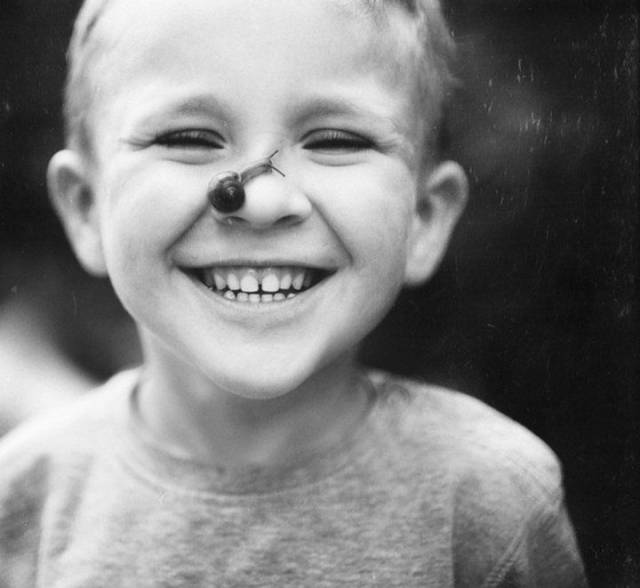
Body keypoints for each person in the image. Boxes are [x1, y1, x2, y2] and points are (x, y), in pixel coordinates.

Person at [0, 0, 587, 585]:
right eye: (189, 137)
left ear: (424, 217)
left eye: (335, 141)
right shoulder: (23, 497)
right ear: (86, 207)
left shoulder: (490, 498)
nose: (261, 202)